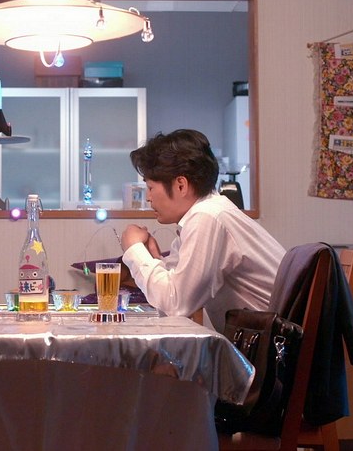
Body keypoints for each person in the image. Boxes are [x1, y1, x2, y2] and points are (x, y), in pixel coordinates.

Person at [119, 129, 285, 333]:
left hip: (275, 344)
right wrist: (153, 258)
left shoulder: (207, 217)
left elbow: (176, 304)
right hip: (265, 339)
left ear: (181, 185)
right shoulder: (205, 213)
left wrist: (134, 249)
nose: (148, 198)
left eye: (151, 188)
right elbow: (172, 289)